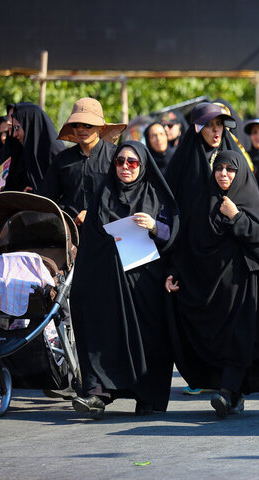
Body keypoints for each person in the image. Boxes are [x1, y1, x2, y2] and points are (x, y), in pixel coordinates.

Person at [165, 151, 259, 418]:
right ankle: (231, 394)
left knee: (240, 339)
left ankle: (228, 391)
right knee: (220, 341)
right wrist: (173, 272)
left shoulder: (249, 201)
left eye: (230, 169)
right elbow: (188, 245)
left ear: (241, 174)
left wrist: (237, 218)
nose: (223, 174)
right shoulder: (203, 202)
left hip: (245, 287)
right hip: (211, 290)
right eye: (219, 168)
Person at [70, 141, 179, 418]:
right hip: (106, 280)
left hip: (144, 282)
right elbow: (91, 241)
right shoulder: (103, 193)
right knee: (102, 334)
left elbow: (174, 235)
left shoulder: (156, 195)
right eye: (120, 161)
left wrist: (155, 226)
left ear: (143, 165)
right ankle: (97, 394)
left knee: (147, 338)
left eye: (132, 162)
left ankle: (145, 396)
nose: (125, 167)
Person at [39, 98, 126, 227]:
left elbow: (125, 196)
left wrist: (94, 212)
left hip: (108, 231)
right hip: (71, 233)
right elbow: (48, 198)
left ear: (101, 128)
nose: (81, 129)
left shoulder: (116, 157)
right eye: (75, 125)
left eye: (88, 125)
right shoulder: (62, 160)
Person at [164, 102, 249, 221]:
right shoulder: (184, 160)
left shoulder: (235, 156)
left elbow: (250, 198)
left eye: (219, 123)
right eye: (208, 124)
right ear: (197, 129)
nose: (215, 129)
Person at [5, 103, 65, 193]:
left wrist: (36, 194)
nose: (14, 134)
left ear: (30, 125)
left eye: (17, 128)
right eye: (13, 128)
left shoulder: (57, 154)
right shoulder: (23, 152)